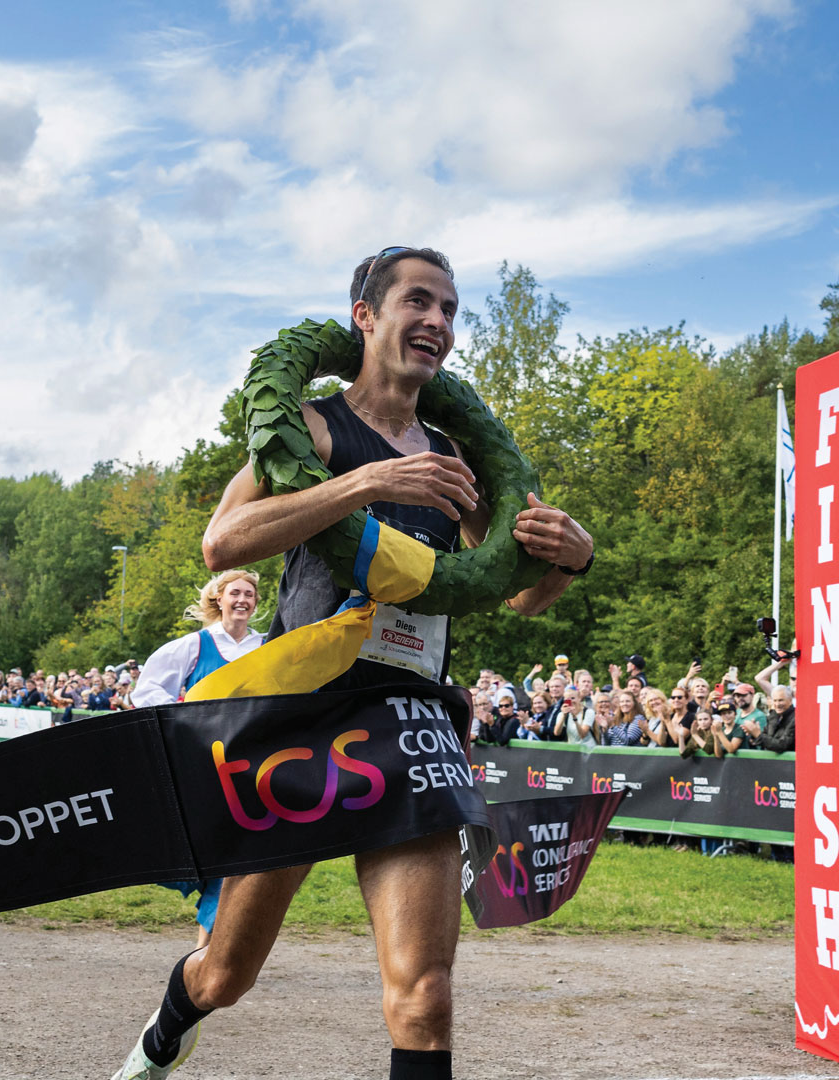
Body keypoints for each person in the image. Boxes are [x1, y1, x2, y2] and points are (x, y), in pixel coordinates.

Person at [113, 245, 594, 1080]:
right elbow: (223, 541)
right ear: (366, 318)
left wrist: (568, 560)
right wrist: (366, 482)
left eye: (449, 309)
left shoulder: (456, 455)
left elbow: (517, 597)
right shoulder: (315, 427)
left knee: (426, 992)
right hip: (305, 718)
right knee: (228, 972)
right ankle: (168, 1028)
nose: (438, 322)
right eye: (418, 302)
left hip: (411, 721)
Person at [131, 569, 269, 949]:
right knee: (209, 852)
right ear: (219, 599)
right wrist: (184, 724)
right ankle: (208, 951)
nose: (243, 600)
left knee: (238, 853)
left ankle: (206, 951)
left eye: (249, 594)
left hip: (249, 767)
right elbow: (147, 690)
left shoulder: (266, 646)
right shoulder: (194, 646)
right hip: (203, 768)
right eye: (235, 593)